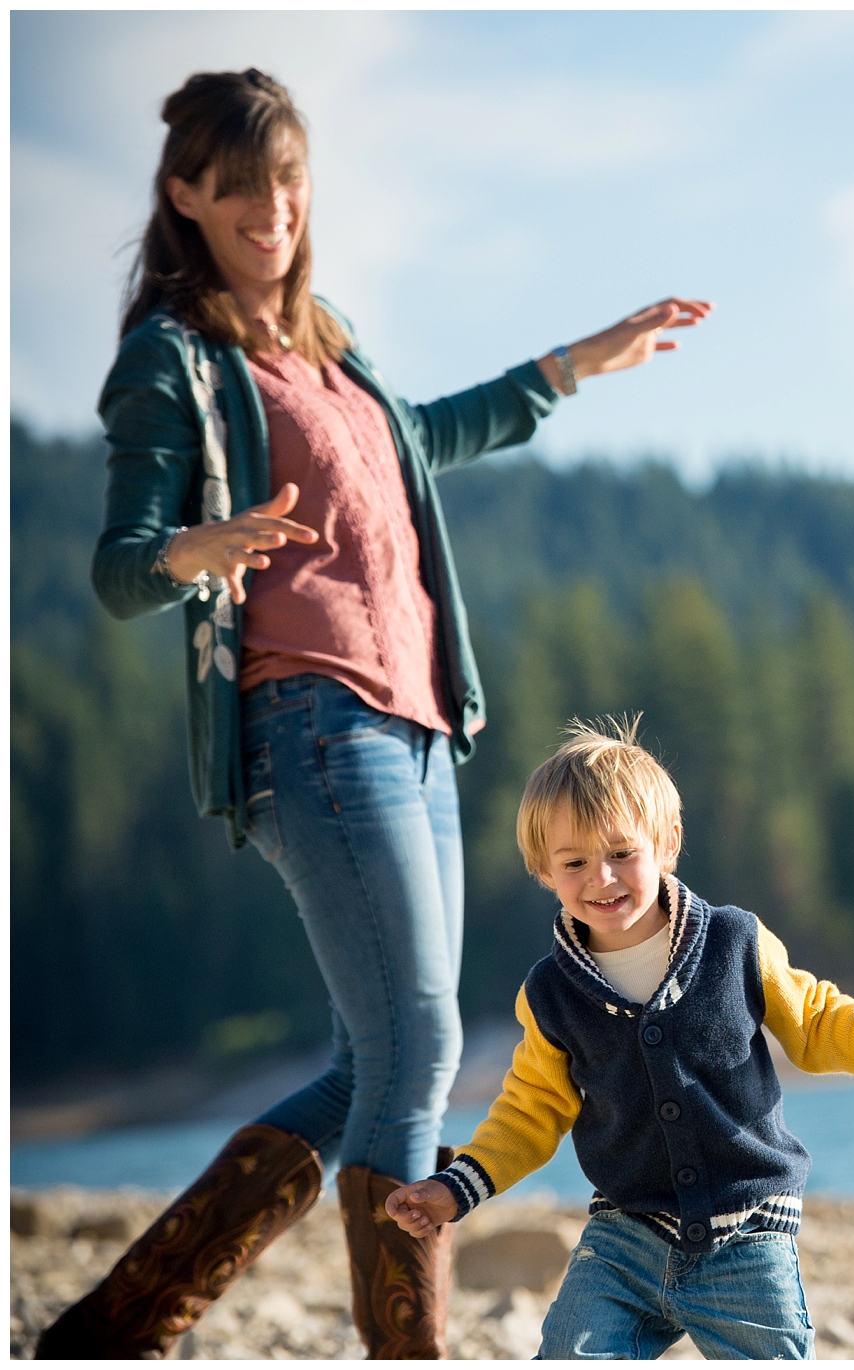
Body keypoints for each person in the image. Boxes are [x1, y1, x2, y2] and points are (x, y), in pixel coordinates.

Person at [40, 68, 711, 1360]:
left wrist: (576, 362)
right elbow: (119, 565)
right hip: (309, 721)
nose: (272, 208)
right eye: (240, 187)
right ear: (185, 195)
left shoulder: (326, 339)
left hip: (413, 725)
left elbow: (425, 440)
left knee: (373, 1062)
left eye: (289, 181)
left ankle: (115, 1328)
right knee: (422, 1041)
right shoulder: (173, 363)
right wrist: (200, 546)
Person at [382, 718, 854, 1359]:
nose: (601, 878)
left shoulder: (734, 944)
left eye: (622, 854)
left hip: (747, 1232)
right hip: (624, 1242)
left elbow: (820, 1024)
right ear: (542, 870)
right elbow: (529, 1113)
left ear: (668, 843)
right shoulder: (550, 995)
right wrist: (453, 1188)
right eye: (574, 862)